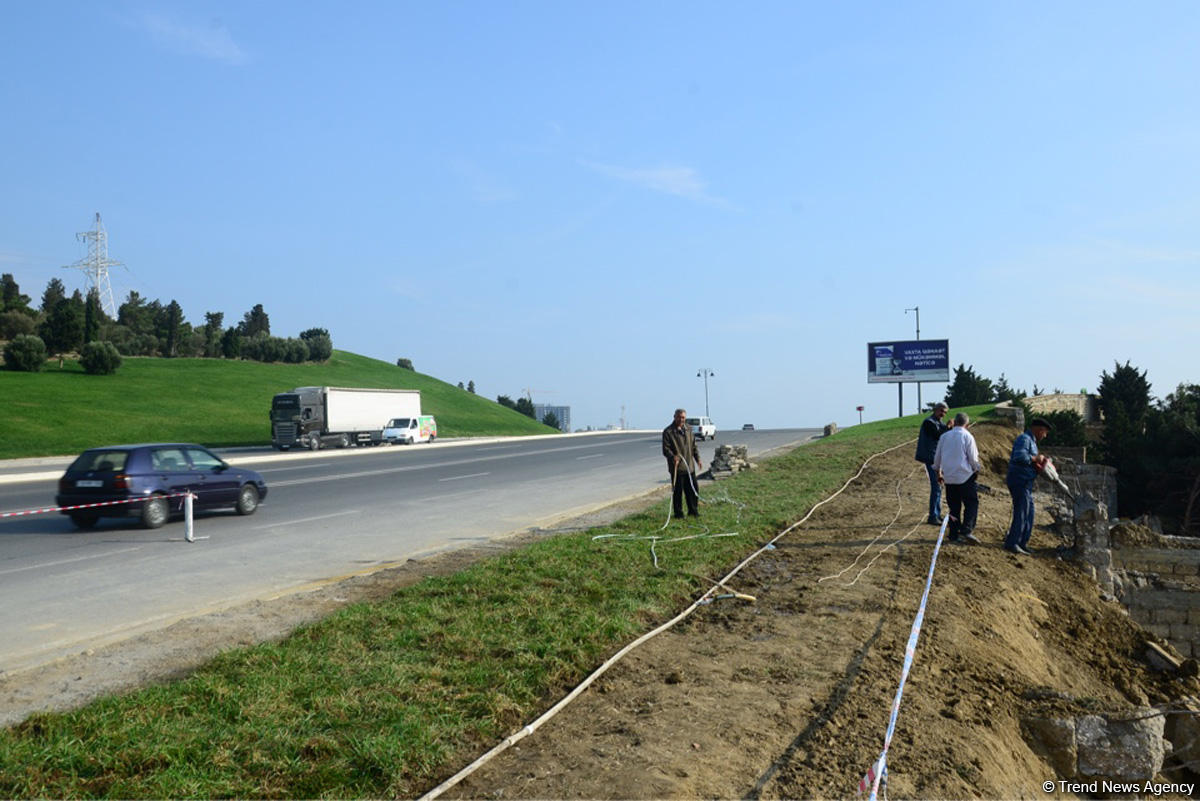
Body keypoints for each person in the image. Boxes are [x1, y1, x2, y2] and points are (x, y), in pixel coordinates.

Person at [1004, 417, 1052, 555]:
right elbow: (1020, 457)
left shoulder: (1031, 441)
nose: (1045, 435)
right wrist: (1036, 458)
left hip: (1026, 482)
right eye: (1045, 432)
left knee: (1029, 513)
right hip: (1020, 480)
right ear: (1039, 430)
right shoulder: (1024, 439)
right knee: (1021, 512)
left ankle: (1022, 543)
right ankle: (1012, 543)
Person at [932, 412, 982, 544]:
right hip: (965, 476)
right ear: (967, 424)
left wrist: (938, 473)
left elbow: (937, 458)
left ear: (954, 422)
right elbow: (973, 458)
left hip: (949, 477)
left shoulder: (944, 437)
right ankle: (966, 529)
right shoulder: (967, 436)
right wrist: (976, 469)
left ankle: (953, 534)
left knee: (954, 507)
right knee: (971, 503)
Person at [662, 408, 703, 519]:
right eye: (679, 417)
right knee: (678, 492)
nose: (681, 419)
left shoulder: (689, 429)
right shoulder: (668, 432)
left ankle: (693, 511)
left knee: (693, 490)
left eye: (683, 417)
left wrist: (698, 459)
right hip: (677, 468)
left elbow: (694, 446)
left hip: (690, 467)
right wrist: (673, 457)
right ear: (674, 417)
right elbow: (665, 449)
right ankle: (679, 514)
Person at [915, 402, 949, 524]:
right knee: (936, 485)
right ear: (935, 410)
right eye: (941, 411)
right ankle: (933, 515)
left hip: (936, 458)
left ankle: (937, 513)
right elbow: (937, 435)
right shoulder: (928, 422)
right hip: (930, 458)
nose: (943, 414)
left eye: (945, 412)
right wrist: (948, 427)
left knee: (938, 486)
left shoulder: (939, 423)